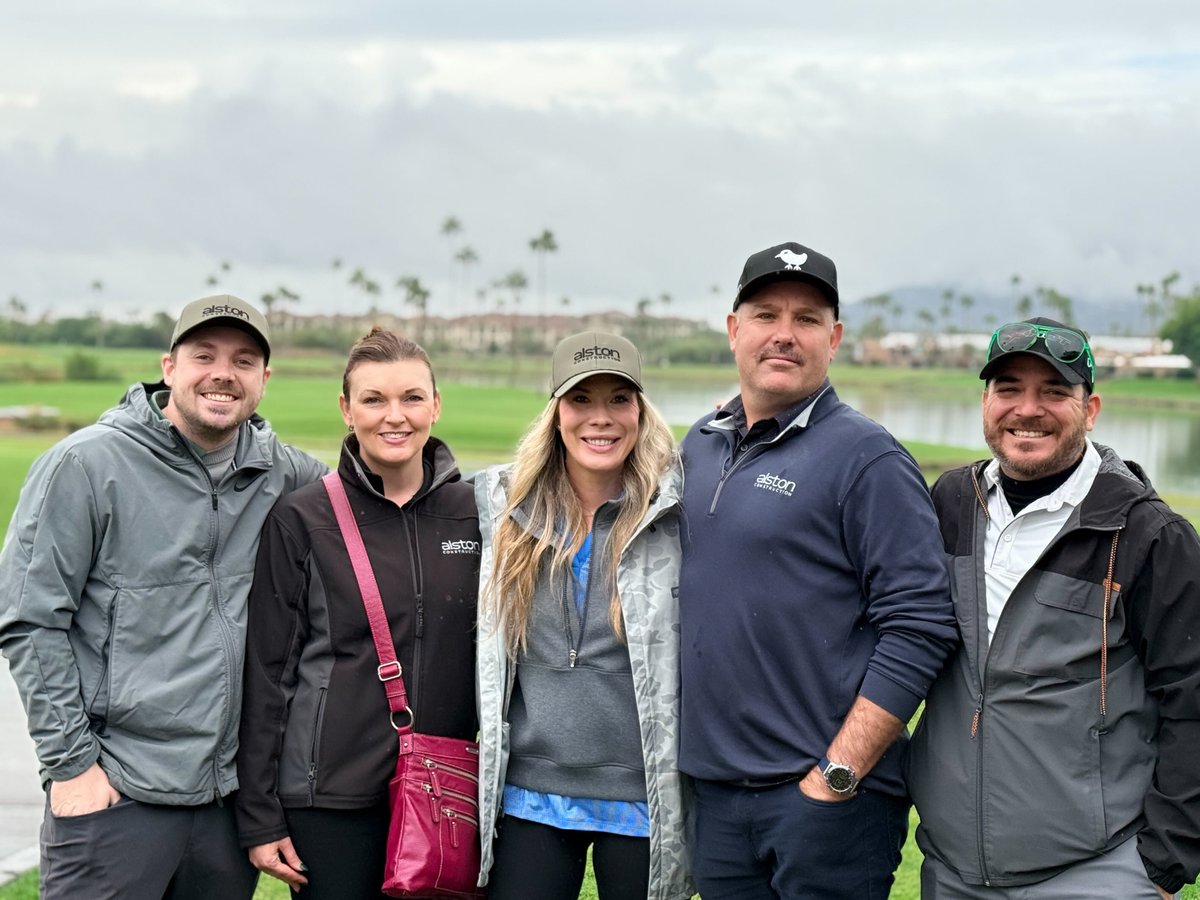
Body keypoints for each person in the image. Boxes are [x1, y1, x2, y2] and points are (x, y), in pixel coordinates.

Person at [0, 295, 327, 899]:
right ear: (169, 367)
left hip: (227, 807)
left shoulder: (287, 476)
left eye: (244, 359)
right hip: (115, 797)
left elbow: (382, 497)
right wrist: (74, 768)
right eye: (203, 355)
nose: (223, 372)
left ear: (264, 379)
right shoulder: (85, 465)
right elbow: (28, 620)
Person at [677, 241, 958, 898]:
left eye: (806, 319)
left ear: (833, 339)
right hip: (718, 800)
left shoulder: (868, 458)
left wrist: (837, 774)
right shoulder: (700, 443)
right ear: (733, 330)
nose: (784, 334)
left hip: (826, 802)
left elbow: (921, 624)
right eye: (766, 314)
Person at [907, 317, 1200, 899]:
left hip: (1096, 874)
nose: (1028, 409)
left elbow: (1192, 700)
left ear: (1090, 409)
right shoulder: (948, 503)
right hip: (953, 872)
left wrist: (1165, 863)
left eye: (1054, 392)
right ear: (985, 400)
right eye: (1009, 388)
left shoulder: (1147, 534)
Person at [236, 327, 481, 898]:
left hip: (444, 791)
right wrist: (260, 814)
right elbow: (267, 677)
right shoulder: (301, 518)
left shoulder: (476, 514)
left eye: (412, 398)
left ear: (436, 406)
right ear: (347, 410)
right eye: (373, 399)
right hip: (328, 799)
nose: (394, 416)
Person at [475, 331, 692, 900]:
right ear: (556, 413)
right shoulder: (503, 508)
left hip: (644, 799)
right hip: (529, 796)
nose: (601, 418)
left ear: (641, 411)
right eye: (581, 400)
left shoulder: (677, 512)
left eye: (619, 399)